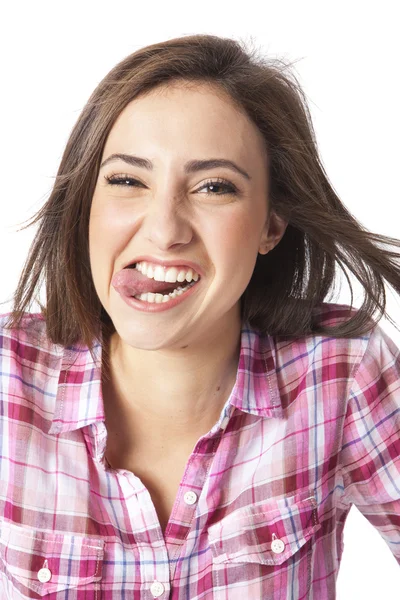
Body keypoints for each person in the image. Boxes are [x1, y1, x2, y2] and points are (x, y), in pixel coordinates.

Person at [0, 33, 399, 599]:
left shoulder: (342, 371)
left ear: (271, 224)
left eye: (214, 187)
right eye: (127, 180)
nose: (165, 229)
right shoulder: (6, 383)